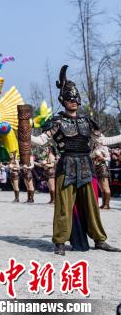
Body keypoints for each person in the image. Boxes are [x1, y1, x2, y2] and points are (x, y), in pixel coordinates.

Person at [31, 65, 121, 255]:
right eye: (69, 98)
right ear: (63, 100)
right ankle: (60, 242)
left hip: (86, 167)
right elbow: (41, 140)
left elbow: (103, 141)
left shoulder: (87, 121)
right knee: (63, 206)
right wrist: (23, 134)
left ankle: (99, 239)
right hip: (66, 166)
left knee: (92, 206)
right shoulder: (57, 122)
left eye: (75, 97)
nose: (73, 101)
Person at [92, 141, 111, 209]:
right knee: (101, 188)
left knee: (106, 187)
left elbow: (109, 158)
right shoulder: (94, 148)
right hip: (96, 168)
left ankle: (107, 204)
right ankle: (103, 203)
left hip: (103, 167)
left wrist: (102, 158)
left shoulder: (104, 147)